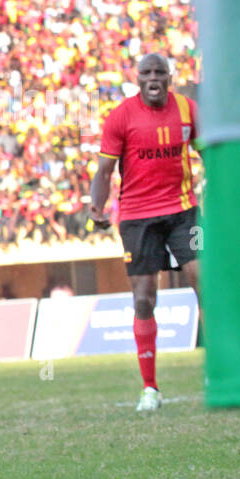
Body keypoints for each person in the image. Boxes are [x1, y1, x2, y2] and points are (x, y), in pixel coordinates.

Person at [89, 53, 200, 412]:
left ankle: (222, 371)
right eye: (147, 72)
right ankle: (150, 387)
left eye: (160, 72)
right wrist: (97, 207)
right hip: (137, 218)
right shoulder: (121, 116)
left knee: (206, 283)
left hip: (184, 212)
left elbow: (208, 152)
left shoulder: (187, 109)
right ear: (138, 79)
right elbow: (105, 171)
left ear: (169, 77)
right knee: (143, 298)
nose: (153, 77)